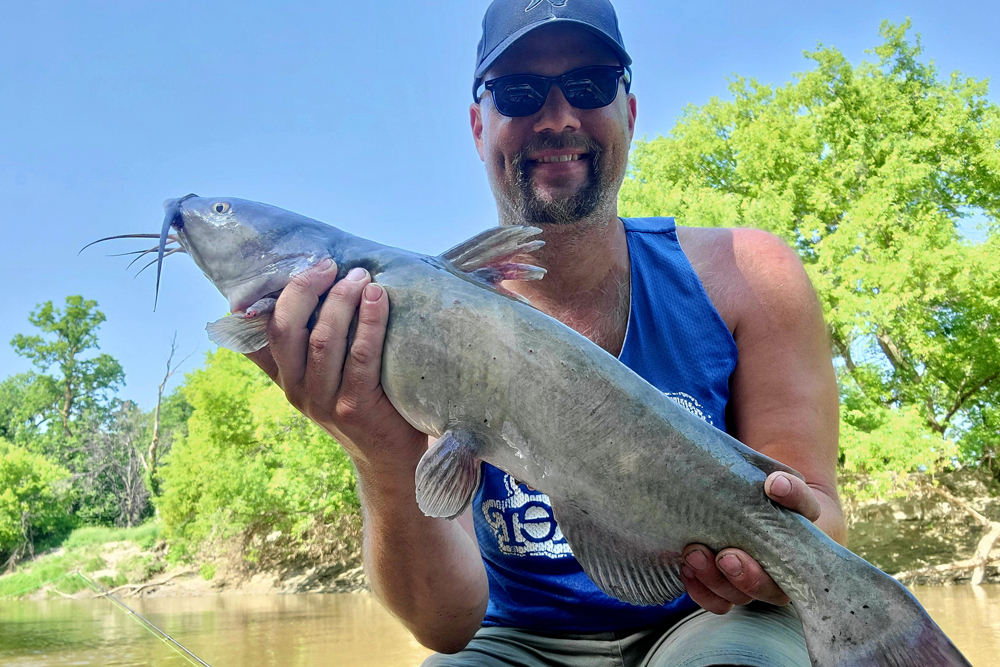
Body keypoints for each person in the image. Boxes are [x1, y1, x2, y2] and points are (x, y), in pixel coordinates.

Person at [246, 0, 846, 665]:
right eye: (519, 92)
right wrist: (381, 453)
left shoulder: (749, 274)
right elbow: (443, 624)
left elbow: (825, 528)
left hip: (710, 617)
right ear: (479, 127)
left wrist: (776, 566)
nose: (557, 117)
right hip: (510, 639)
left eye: (589, 85)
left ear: (631, 113)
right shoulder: (399, 317)